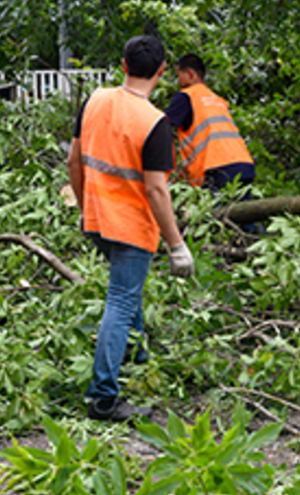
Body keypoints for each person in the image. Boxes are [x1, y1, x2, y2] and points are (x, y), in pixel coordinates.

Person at [67, 35, 195, 422]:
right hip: (130, 227)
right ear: (161, 72)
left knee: (126, 292)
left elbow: (74, 161)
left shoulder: (95, 100)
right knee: (121, 301)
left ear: (123, 65)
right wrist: (176, 244)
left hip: (96, 218)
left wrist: (83, 203)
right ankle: (103, 396)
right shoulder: (154, 122)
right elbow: (156, 189)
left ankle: (137, 356)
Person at [165, 53, 255, 193]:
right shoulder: (218, 100)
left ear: (190, 73)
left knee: (215, 214)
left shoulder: (187, 96)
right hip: (244, 164)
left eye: (178, 76)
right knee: (239, 212)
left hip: (216, 167)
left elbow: (160, 125)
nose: (178, 82)